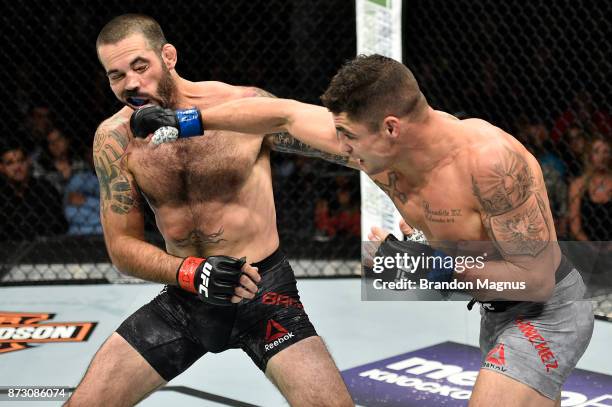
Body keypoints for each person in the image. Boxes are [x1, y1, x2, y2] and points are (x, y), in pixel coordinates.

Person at [146, 54, 595, 406]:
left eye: (348, 136)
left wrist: (429, 268)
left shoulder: (491, 162)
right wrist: (187, 121)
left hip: (546, 313)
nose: (341, 149)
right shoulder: (379, 150)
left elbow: (534, 278)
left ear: (391, 127)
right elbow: (282, 115)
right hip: (495, 313)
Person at [65, 14, 352, 407]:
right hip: (185, 298)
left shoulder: (243, 107)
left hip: (264, 292)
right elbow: (122, 249)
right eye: (116, 75)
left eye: (140, 66)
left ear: (168, 56)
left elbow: (346, 141)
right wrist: (191, 272)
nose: (131, 83)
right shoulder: (116, 140)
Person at [0, 141, 67, 242]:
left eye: (21, 161)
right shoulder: (2, 195)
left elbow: (56, 225)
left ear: (28, 162)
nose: (17, 167)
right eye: (10, 163)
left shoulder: (44, 188)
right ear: (2, 168)